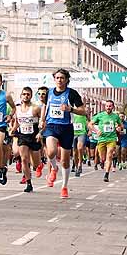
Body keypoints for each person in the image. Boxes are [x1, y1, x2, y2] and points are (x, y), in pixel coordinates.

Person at [41, 69, 86, 199]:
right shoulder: (48, 92)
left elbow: (83, 111)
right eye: (57, 78)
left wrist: (70, 109)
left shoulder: (72, 93)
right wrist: (42, 120)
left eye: (62, 78)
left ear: (66, 80)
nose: (59, 80)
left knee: (65, 161)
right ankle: (54, 168)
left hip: (66, 128)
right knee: (51, 152)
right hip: (51, 126)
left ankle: (64, 187)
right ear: (54, 79)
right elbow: (45, 106)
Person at [11, 86, 42, 193]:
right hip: (22, 136)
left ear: (31, 96)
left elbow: (43, 122)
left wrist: (40, 133)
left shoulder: (36, 108)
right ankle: (29, 183)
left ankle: (39, 165)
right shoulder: (17, 109)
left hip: (33, 136)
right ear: (21, 96)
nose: (26, 96)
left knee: (36, 164)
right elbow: (17, 122)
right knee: (24, 159)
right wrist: (13, 129)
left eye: (28, 94)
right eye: (24, 94)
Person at [90, 99, 123, 183]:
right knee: (103, 158)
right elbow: (90, 124)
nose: (108, 107)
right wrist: (96, 131)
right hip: (101, 139)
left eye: (110, 106)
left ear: (113, 107)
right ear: (105, 107)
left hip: (111, 139)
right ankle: (102, 161)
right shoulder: (100, 115)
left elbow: (120, 126)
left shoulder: (115, 116)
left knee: (109, 155)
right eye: (107, 106)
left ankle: (106, 174)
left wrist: (119, 128)